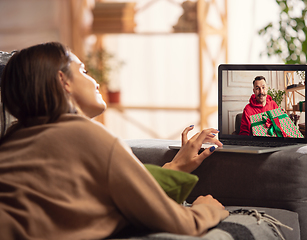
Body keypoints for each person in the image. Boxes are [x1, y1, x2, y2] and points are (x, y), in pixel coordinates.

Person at [0, 42, 229, 239]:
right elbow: (180, 223)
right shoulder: (90, 136)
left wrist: (175, 167)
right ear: (63, 81)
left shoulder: (12, 141)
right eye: (83, 71)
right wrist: (206, 210)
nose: (95, 81)